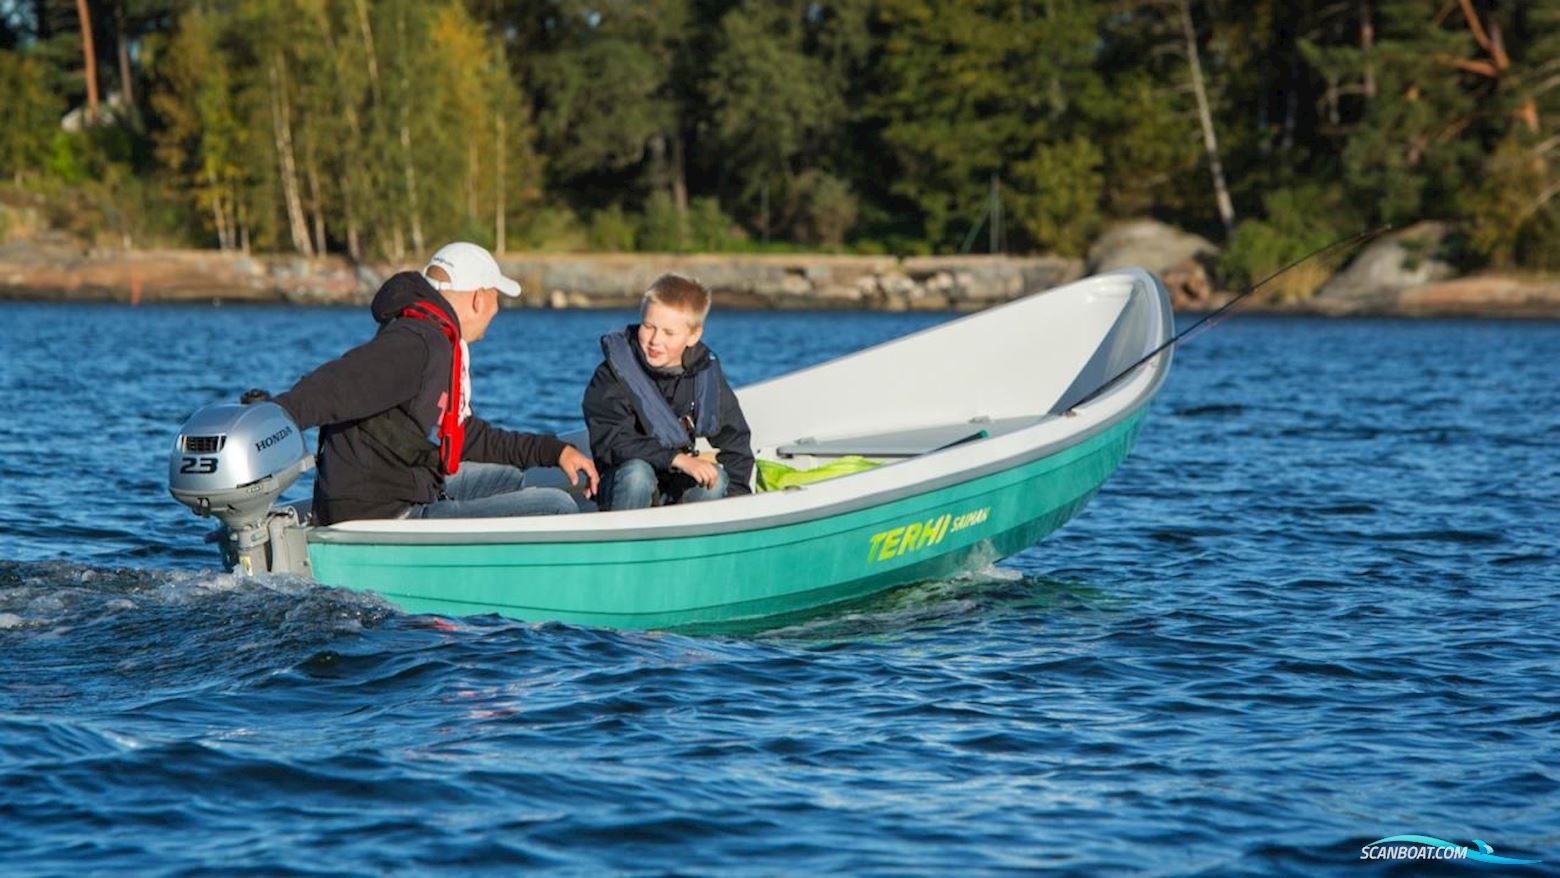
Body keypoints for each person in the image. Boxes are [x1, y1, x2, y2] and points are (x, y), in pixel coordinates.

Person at [268, 241, 597, 525]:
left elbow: (465, 435)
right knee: (558, 508)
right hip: (382, 512)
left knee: (508, 478)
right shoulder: (420, 342)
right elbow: (336, 385)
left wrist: (553, 451)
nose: (497, 310)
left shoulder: (430, 334)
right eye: (497, 297)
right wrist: (272, 416)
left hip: (395, 490)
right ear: (479, 298)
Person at [582, 273, 753, 511]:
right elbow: (613, 440)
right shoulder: (610, 374)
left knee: (717, 480)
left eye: (668, 333)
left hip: (673, 484)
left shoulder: (705, 373)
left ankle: (691, 539)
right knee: (637, 475)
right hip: (624, 483)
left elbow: (736, 441)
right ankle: (623, 542)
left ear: (693, 335)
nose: (655, 340)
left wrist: (739, 501)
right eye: (649, 326)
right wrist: (677, 459)